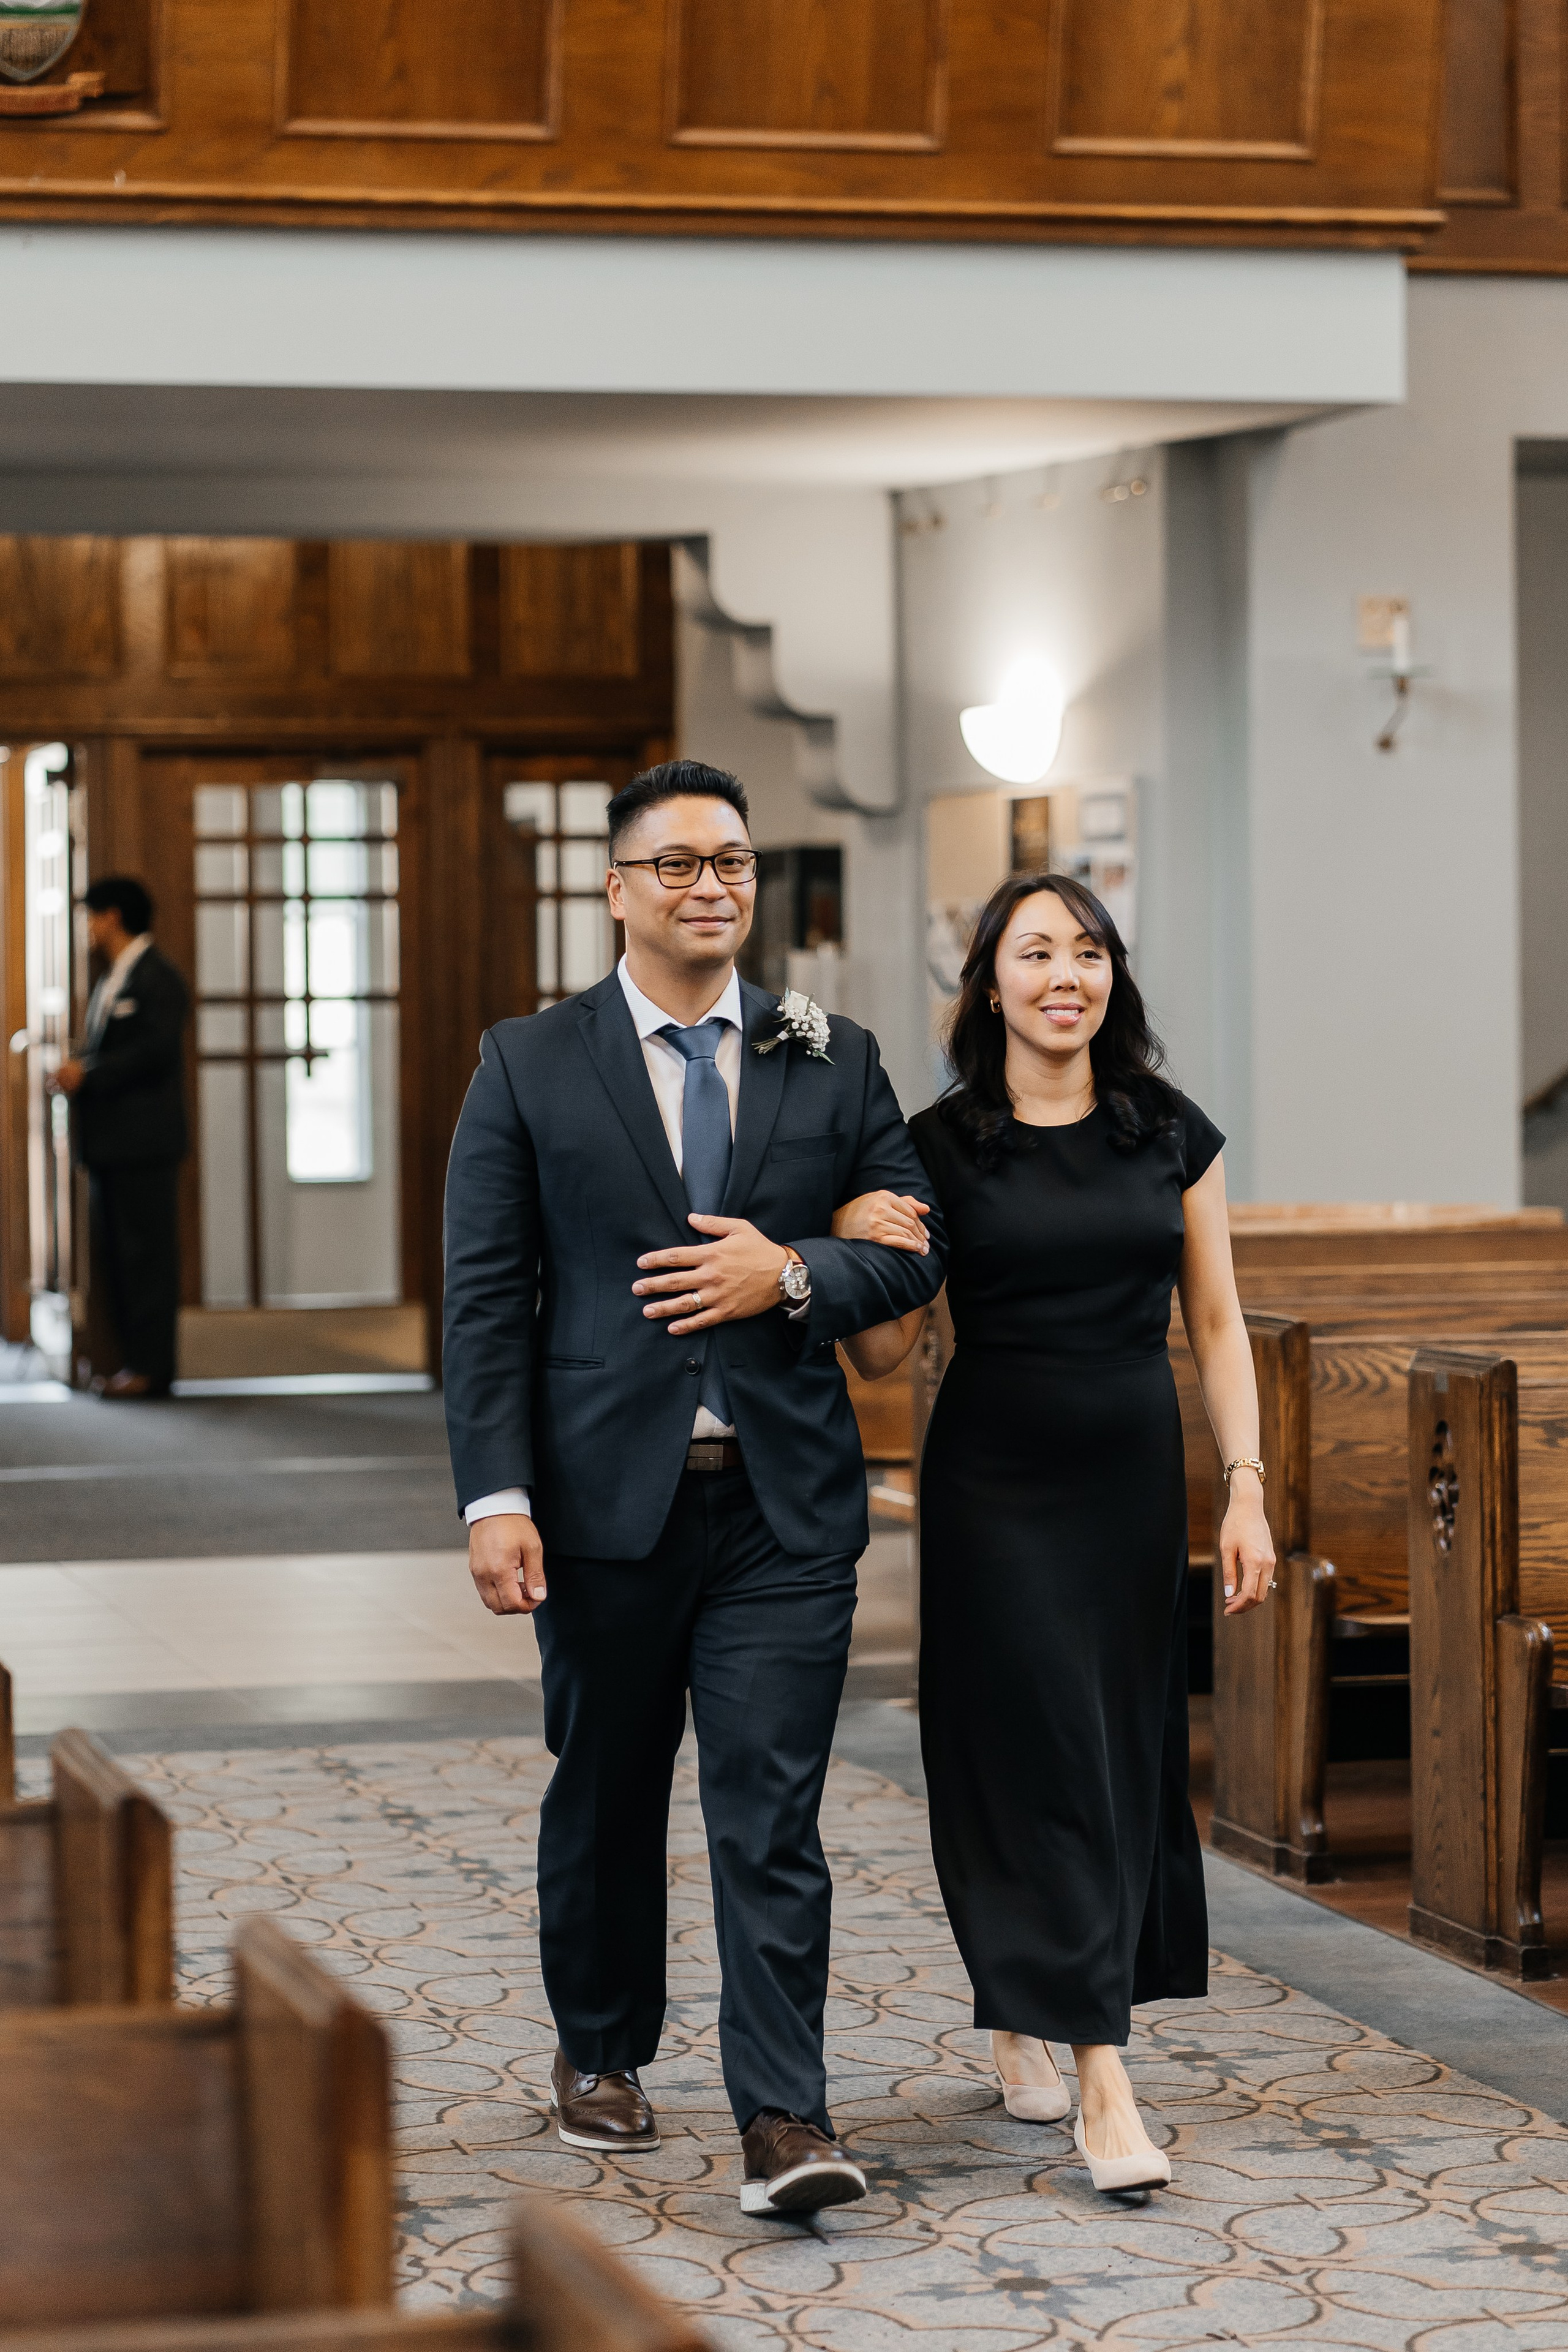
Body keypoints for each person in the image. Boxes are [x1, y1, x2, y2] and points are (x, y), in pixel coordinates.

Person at [441, 758, 946, 2215]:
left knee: (767, 1810)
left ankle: (784, 2111)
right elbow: (486, 1299)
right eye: (675, 863)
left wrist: (787, 1268)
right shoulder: (528, 1062)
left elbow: (909, 1245)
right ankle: (598, 2043)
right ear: (616, 888)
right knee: (603, 1788)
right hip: (599, 1505)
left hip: (781, 1505)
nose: (710, 884)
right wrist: (496, 1496)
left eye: (728, 860)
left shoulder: (829, 1053)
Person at [833, 872, 1274, 2195]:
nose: (1063, 975)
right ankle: (1100, 2075)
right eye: (1033, 953)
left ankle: (1026, 2004)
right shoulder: (937, 1145)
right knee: (1031, 1751)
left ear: (1109, 978)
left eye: (1085, 951)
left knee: (1111, 1748)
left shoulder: (1165, 1133)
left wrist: (1244, 1482)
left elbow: (1216, 1323)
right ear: (986, 984)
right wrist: (852, 1236)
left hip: (1127, 1479)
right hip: (993, 1488)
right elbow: (881, 1351)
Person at [50, 875, 189, 1401]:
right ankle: (133, 1360)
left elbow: (156, 1053)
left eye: (90, 915)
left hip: (145, 1143)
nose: (86, 926)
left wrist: (89, 1073)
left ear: (112, 916)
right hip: (112, 1144)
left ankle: (152, 1369)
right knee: (120, 1257)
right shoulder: (114, 977)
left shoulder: (159, 977)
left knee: (146, 1256)